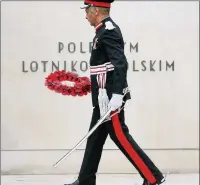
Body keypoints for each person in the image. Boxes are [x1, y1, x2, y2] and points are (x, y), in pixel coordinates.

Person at [65, 0, 165, 185]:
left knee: (120, 136)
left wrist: (117, 95)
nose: (85, 15)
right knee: (95, 138)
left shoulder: (108, 31)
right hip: (103, 96)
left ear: (95, 10)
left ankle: (153, 177)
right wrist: (92, 84)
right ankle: (85, 180)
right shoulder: (101, 31)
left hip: (110, 98)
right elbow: (104, 67)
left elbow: (120, 63)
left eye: (87, 11)